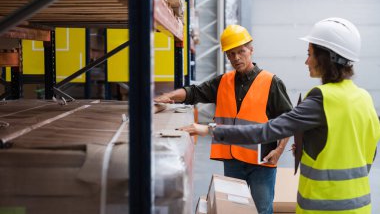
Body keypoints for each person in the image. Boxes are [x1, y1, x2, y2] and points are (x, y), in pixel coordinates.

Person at [180, 18, 380, 214]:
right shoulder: (364, 98)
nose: (306, 61)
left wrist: (209, 129)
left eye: (309, 54)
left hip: (323, 206)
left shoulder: (321, 98)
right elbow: (365, 151)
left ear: (326, 59)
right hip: (360, 205)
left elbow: (266, 131)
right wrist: (310, 147)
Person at [155, 24, 292, 214]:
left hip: (262, 162)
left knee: (262, 210)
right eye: (231, 54)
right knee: (235, 210)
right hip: (233, 160)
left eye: (240, 51)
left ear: (251, 50)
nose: (236, 58)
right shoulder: (222, 82)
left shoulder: (271, 82)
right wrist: (169, 96)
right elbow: (194, 92)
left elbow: (288, 120)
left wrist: (279, 150)